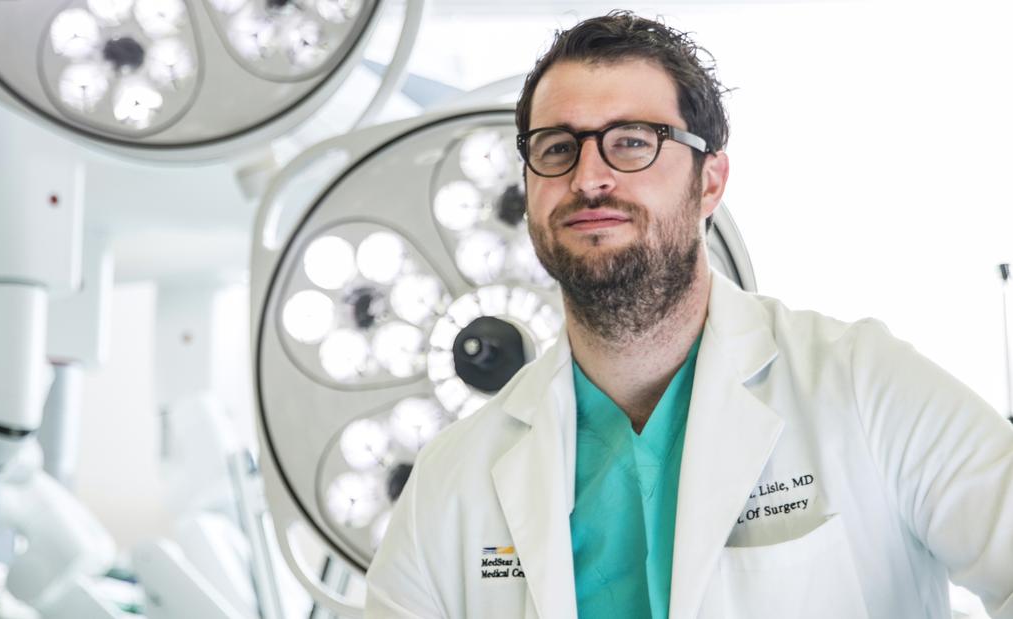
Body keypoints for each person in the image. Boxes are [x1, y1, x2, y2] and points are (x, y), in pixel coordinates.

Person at [365, 11, 1013, 619]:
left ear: (710, 182)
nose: (589, 176)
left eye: (631, 142)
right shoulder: (450, 483)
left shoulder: (864, 385)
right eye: (557, 148)